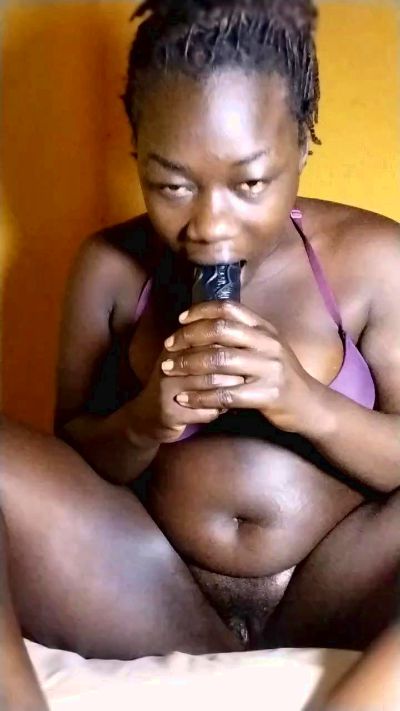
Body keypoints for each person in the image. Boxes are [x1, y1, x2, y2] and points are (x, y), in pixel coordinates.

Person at [5, 0, 400, 663]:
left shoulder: (374, 258)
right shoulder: (109, 268)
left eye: (250, 182)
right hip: (156, 596)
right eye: (173, 185)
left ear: (303, 141)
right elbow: (72, 465)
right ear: (138, 153)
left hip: (336, 591)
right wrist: (144, 420)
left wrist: (308, 403)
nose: (210, 224)